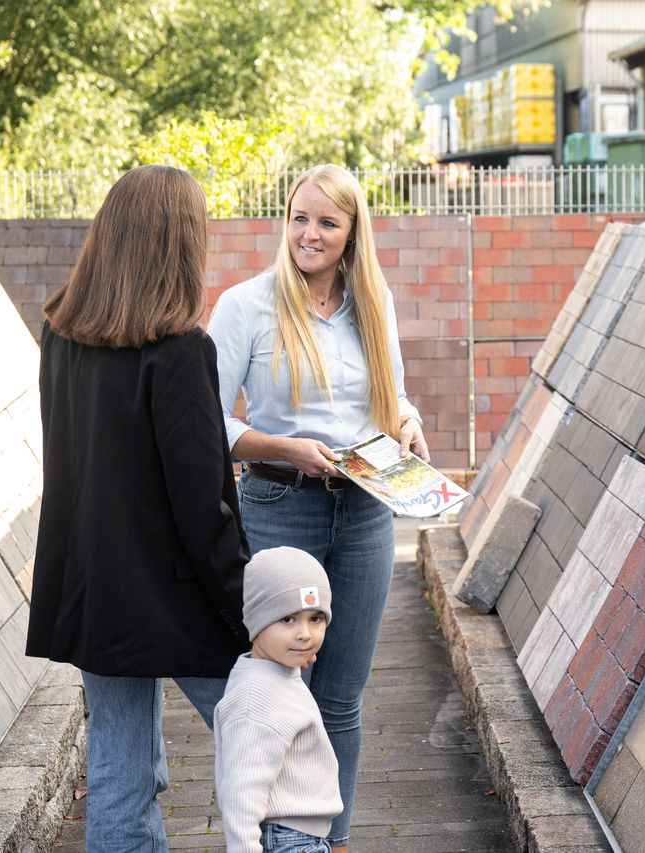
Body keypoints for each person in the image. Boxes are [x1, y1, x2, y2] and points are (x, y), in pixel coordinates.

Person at [25, 164, 250, 853]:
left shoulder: (61, 334)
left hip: (95, 591)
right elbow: (202, 502)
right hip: (178, 595)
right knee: (282, 755)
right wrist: (251, 603)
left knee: (119, 774)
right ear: (179, 240)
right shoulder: (181, 350)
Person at [206, 163, 429, 851]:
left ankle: (328, 843)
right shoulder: (245, 306)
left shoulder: (373, 304)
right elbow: (206, 424)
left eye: (327, 222)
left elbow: (387, 402)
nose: (309, 233)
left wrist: (409, 423)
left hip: (365, 509)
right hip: (277, 504)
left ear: (351, 232)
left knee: (340, 699)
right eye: (299, 218)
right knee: (274, 694)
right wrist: (284, 446)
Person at [215, 547, 343, 853]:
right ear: (258, 622)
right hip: (289, 841)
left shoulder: (271, 673)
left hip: (298, 837)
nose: (305, 634)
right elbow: (241, 794)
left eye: (316, 619)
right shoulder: (257, 698)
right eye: (287, 619)